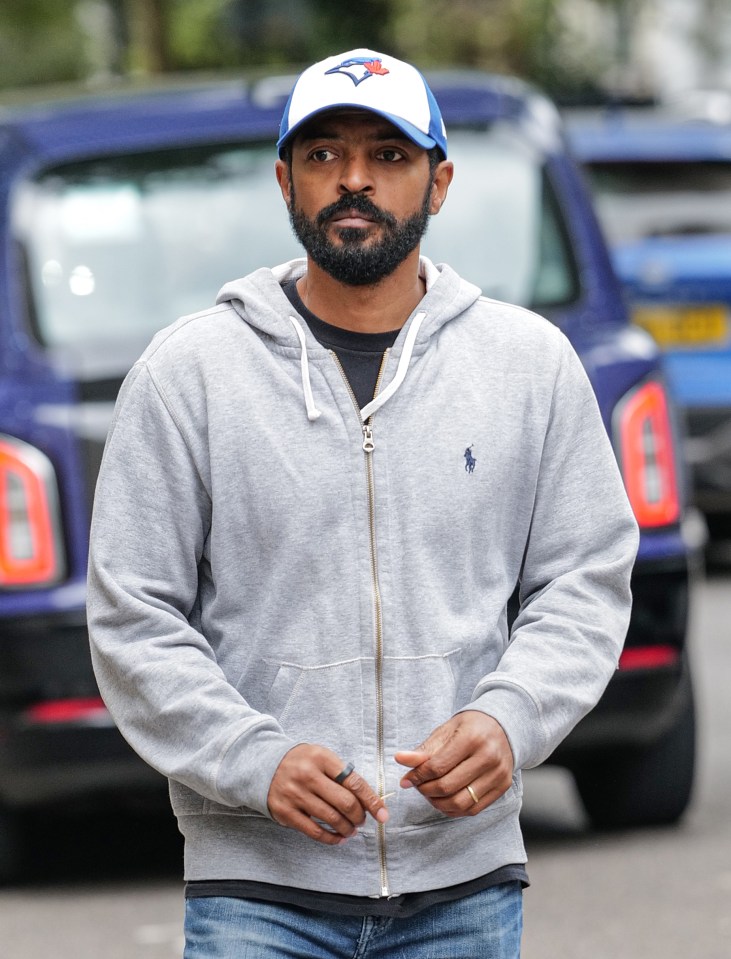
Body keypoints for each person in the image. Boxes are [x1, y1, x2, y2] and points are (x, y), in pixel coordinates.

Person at [87, 48, 639, 959]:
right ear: (285, 181)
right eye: (323, 155)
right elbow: (132, 613)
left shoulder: (527, 366)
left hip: (463, 888)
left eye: (387, 154)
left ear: (439, 181)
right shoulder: (188, 375)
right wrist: (253, 760)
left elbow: (583, 578)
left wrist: (509, 716)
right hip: (257, 892)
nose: (353, 179)